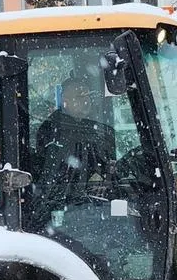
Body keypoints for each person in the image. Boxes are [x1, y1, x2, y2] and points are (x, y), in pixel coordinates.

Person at [30, 71, 117, 228]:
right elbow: (53, 174)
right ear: (64, 100)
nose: (86, 101)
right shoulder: (53, 130)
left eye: (87, 95)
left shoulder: (98, 129)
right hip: (66, 208)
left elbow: (106, 162)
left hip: (97, 203)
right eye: (79, 96)